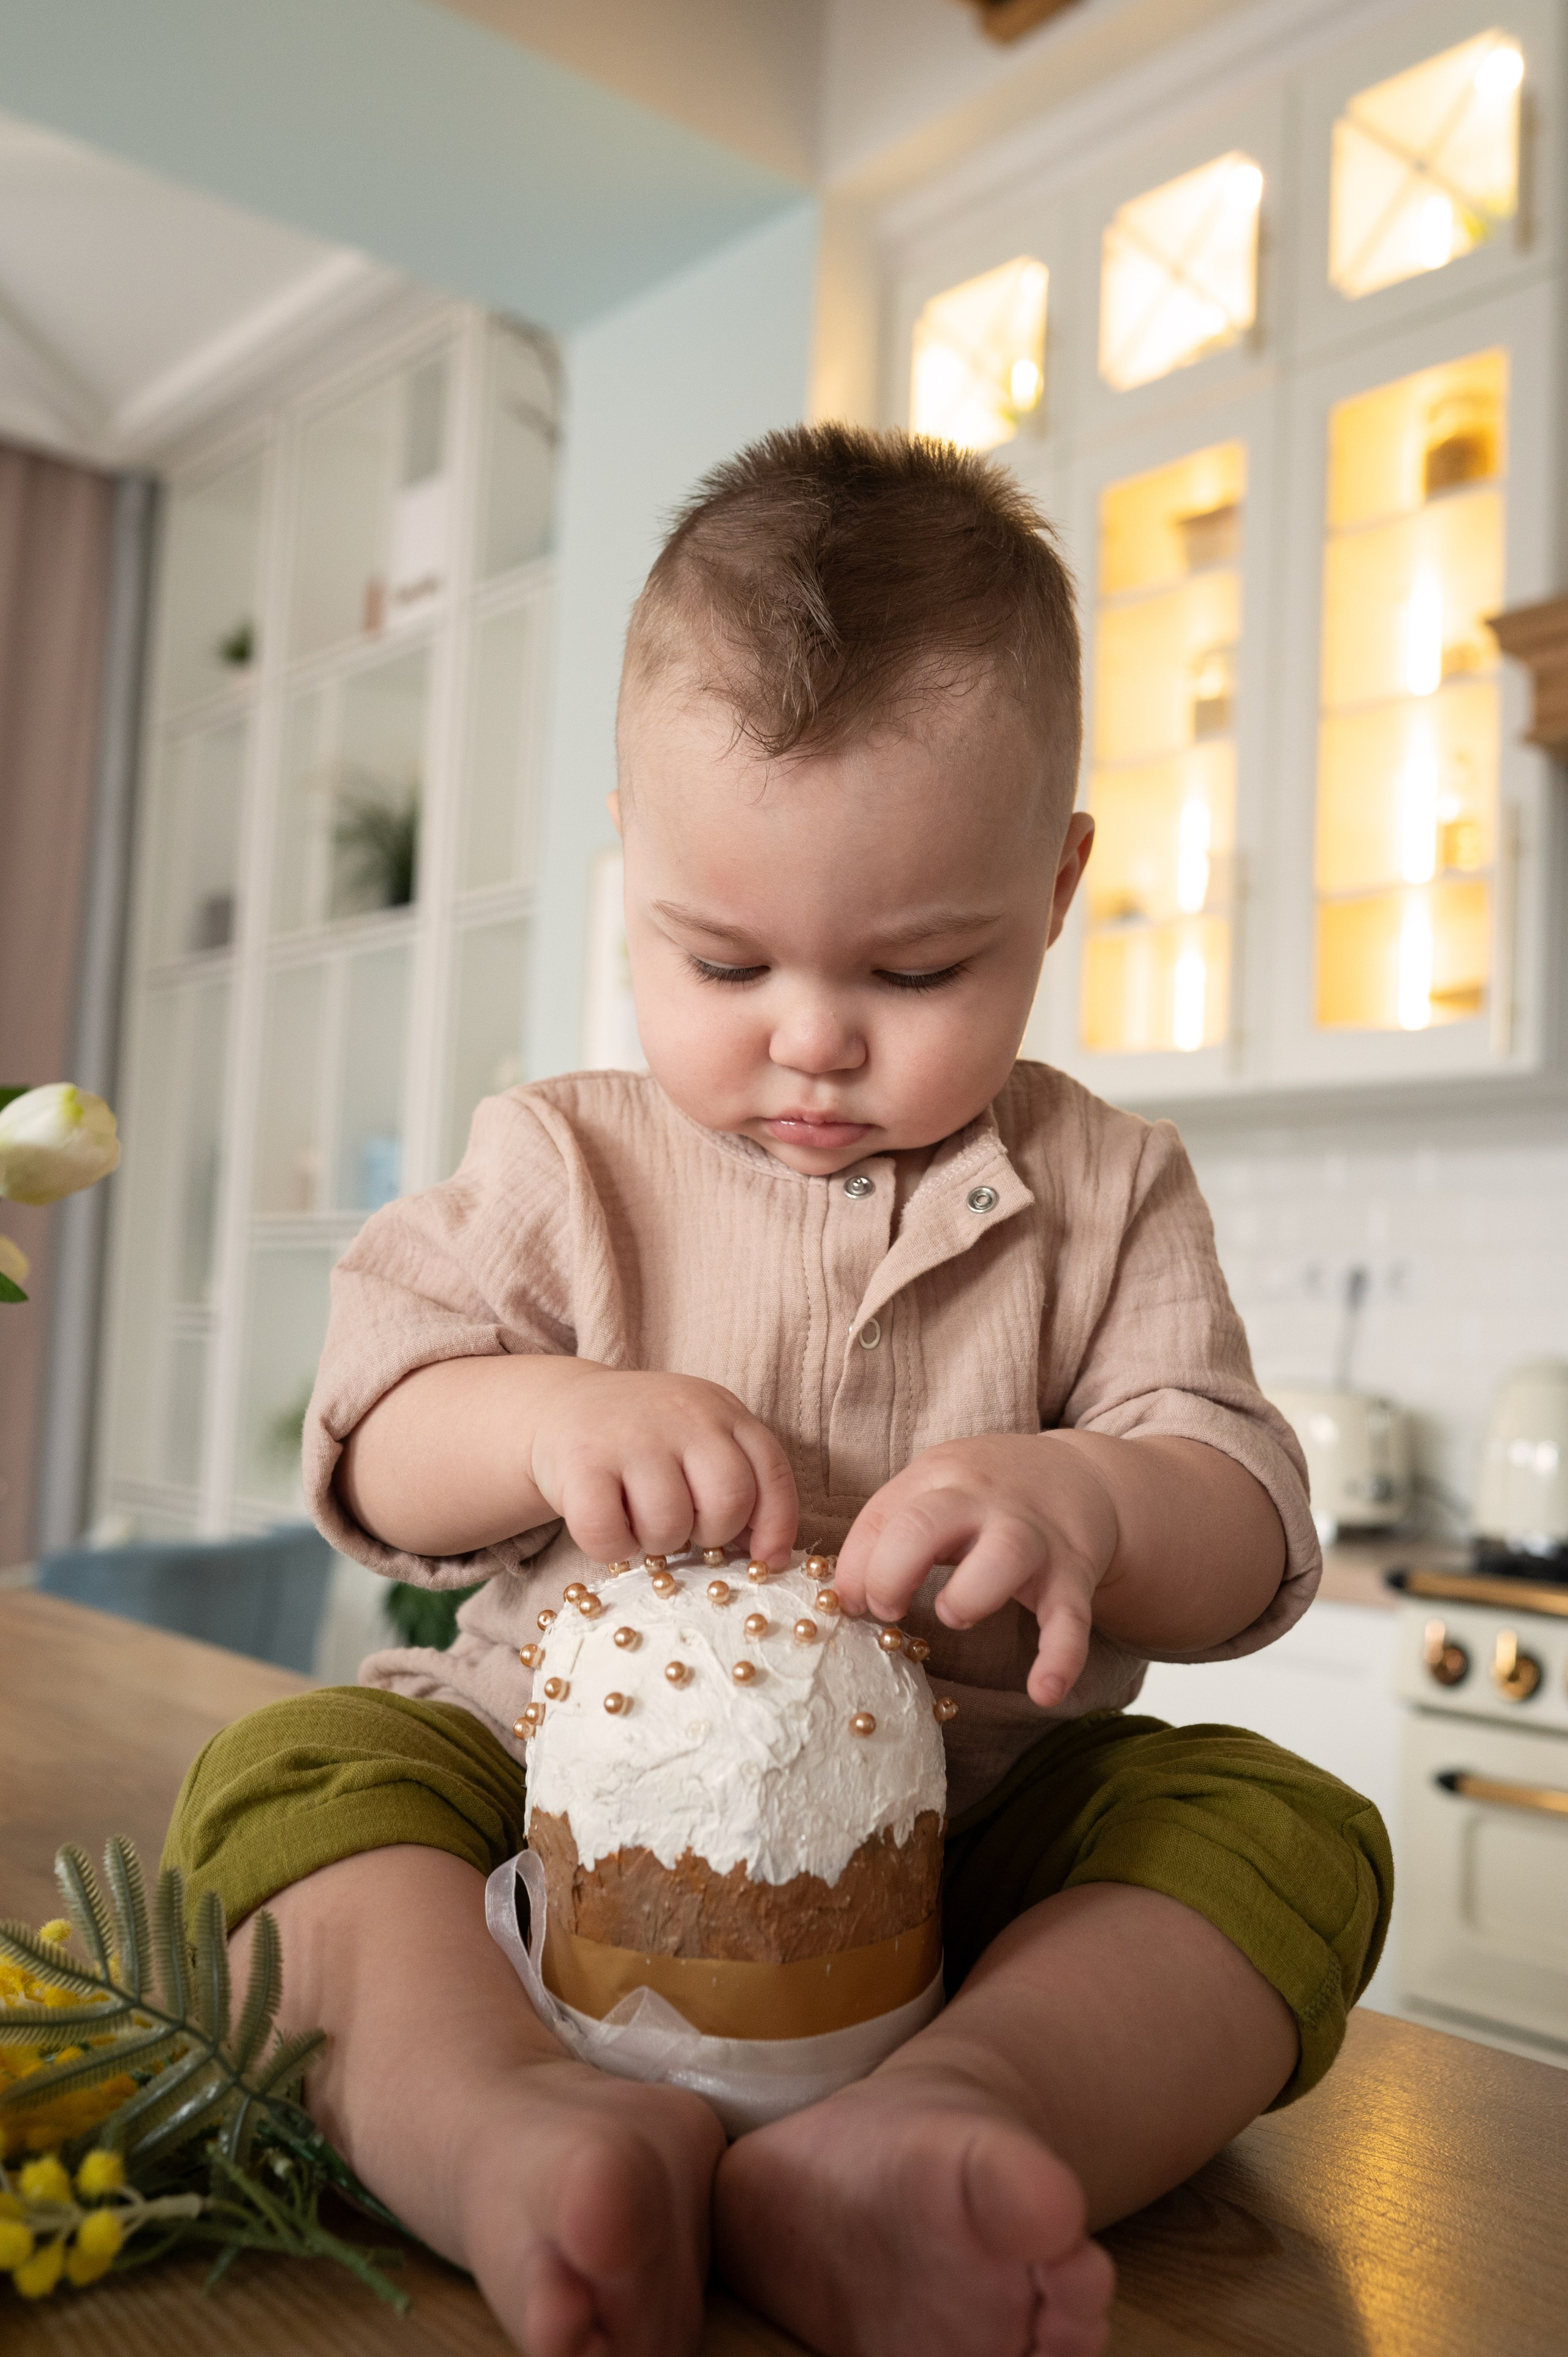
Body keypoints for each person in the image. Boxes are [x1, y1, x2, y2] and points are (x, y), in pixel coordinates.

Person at [167, 426, 1391, 2357]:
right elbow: (379, 1436)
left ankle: (948, 2122)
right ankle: (504, 2124)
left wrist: (1089, 1502)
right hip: (544, 1798)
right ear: (631, 875)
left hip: (972, 1837)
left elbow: (1243, 1522)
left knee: (1284, 1831)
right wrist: (551, 1418)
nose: (811, 1039)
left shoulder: (1110, 1188)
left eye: (917, 971)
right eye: (722, 959)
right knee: (292, 1780)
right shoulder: (563, 1158)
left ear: (1055, 887)